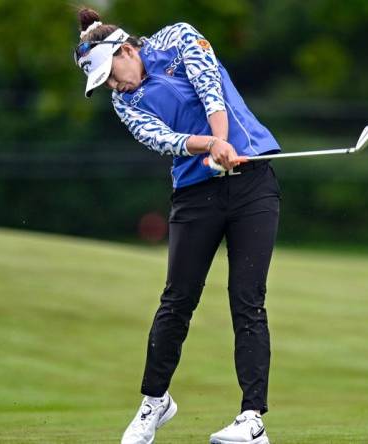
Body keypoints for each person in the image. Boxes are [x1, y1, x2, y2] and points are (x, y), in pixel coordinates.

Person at [74, 8, 280, 444]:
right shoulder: (124, 101)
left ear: (127, 50)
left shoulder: (179, 37)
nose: (115, 86)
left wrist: (222, 138)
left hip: (252, 184)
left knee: (247, 299)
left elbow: (210, 88)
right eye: (106, 83)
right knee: (176, 301)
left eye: (113, 74)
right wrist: (208, 145)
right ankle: (154, 403)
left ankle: (252, 419)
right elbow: (159, 138)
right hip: (195, 194)